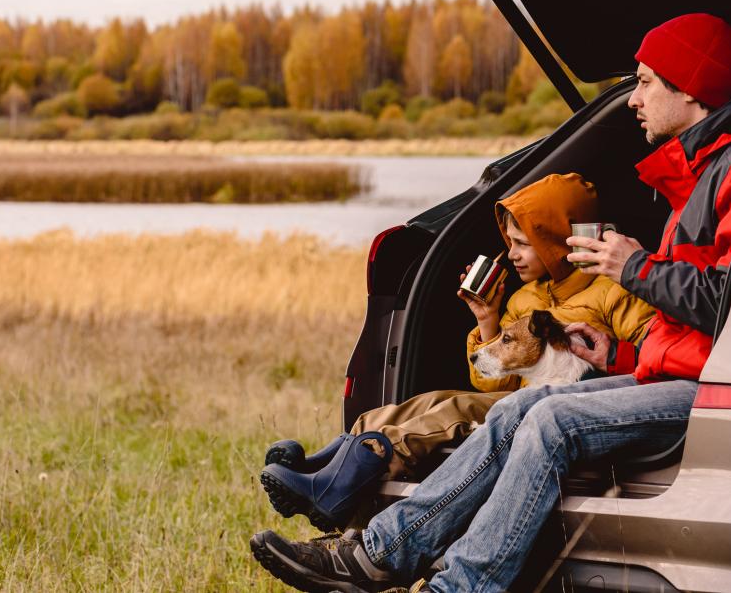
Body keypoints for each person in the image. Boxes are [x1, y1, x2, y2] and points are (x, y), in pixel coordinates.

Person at [249, 12, 731, 593]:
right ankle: (376, 554)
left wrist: (633, 267)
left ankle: (459, 586)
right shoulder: (707, 164)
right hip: (675, 374)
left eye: (645, 82)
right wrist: (615, 356)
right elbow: (696, 319)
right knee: (513, 410)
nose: (633, 98)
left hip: (720, 389)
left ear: (689, 86)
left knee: (551, 419)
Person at [259, 173, 655, 534]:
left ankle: (335, 493)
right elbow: (490, 379)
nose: (513, 254)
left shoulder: (611, 289)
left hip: (562, 405)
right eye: (509, 244)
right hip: (516, 398)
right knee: (424, 403)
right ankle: (321, 469)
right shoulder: (525, 297)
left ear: (555, 240)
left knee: (456, 411)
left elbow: (650, 351)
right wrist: (487, 319)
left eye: (523, 244)